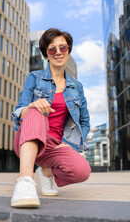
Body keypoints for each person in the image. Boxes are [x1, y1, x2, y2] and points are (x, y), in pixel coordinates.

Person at [11, 28, 91, 208]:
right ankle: (24, 180)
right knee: (36, 110)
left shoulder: (76, 87)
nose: (58, 52)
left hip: (56, 145)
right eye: (52, 49)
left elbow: (84, 122)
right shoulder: (34, 77)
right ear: (46, 55)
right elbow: (19, 111)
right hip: (28, 139)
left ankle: (46, 171)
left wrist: (70, 144)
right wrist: (32, 106)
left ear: (68, 51)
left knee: (82, 171)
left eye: (62, 48)